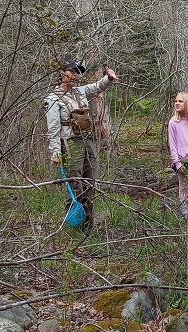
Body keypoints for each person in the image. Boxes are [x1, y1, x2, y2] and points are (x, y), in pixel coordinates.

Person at [44, 60, 118, 231]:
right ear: (62, 74)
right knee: (75, 184)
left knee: (90, 183)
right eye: (72, 71)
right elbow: (53, 129)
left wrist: (109, 78)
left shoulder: (80, 92)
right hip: (71, 146)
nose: (75, 75)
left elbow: (97, 87)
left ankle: (87, 227)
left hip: (88, 142)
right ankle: (73, 229)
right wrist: (55, 152)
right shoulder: (53, 98)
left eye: (78, 72)